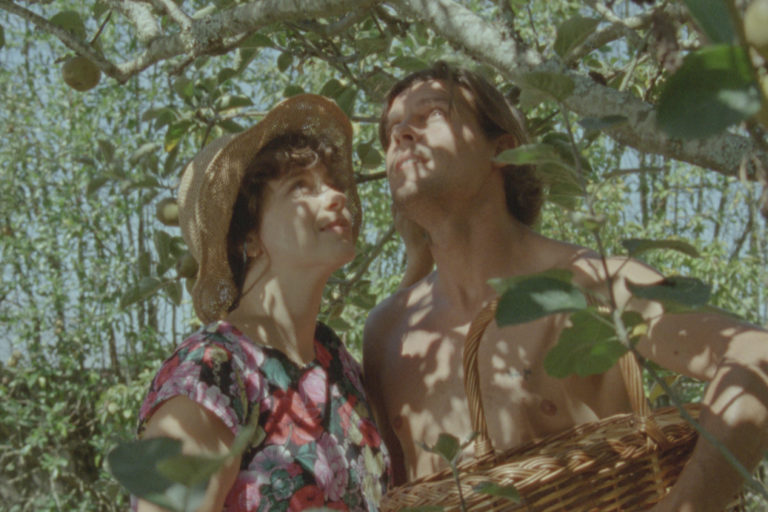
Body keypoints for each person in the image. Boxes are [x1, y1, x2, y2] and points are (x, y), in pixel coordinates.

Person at [362, 62, 768, 511]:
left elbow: (756, 355)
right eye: (392, 130)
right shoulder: (387, 333)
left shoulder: (594, 284)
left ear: (503, 151)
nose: (403, 133)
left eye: (432, 113)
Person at [134, 94, 389, 512]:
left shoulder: (335, 362)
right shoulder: (212, 373)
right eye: (300, 186)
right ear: (247, 236)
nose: (336, 196)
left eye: (332, 182)